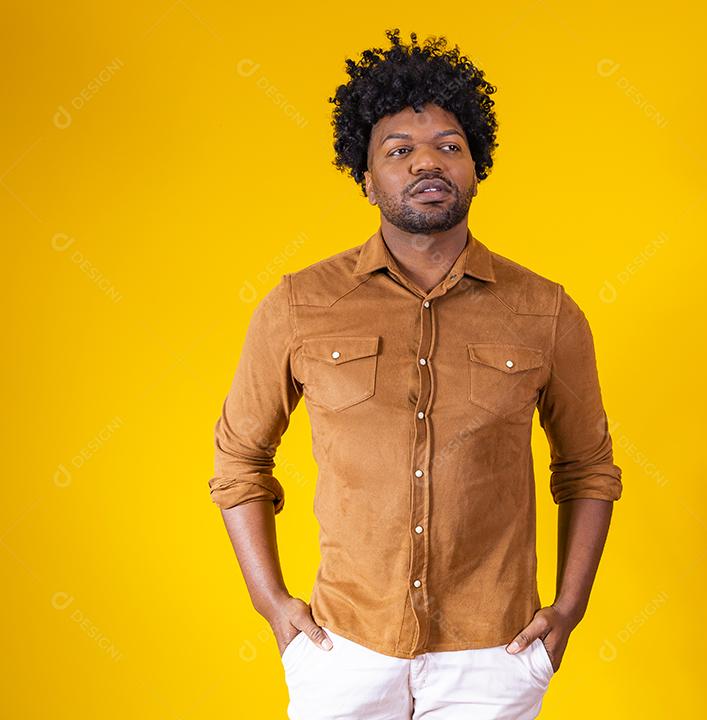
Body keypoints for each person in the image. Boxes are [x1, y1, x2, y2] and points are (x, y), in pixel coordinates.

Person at [208, 28, 623, 719]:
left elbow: (588, 468)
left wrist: (569, 609)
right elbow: (240, 459)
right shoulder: (299, 304)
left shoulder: (546, 310)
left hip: (494, 653)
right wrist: (272, 604)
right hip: (345, 647)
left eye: (450, 148)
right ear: (367, 179)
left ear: (476, 167)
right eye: (399, 150)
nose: (427, 162)